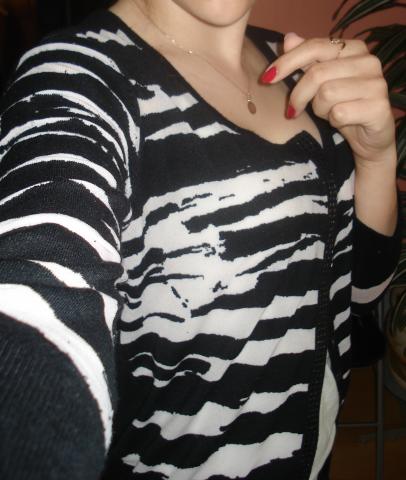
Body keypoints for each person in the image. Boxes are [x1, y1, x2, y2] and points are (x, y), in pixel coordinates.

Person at [0, 1, 401, 479]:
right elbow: (39, 294)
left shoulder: (302, 69)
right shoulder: (75, 81)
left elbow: (359, 291)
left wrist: (376, 157)